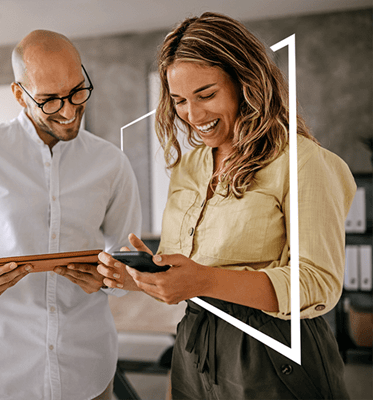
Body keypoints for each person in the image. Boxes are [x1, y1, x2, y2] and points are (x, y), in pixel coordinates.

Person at [98, 12, 355, 399]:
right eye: (180, 100)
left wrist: (203, 280)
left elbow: (318, 283)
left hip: (275, 351)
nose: (193, 115)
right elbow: (189, 273)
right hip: (195, 344)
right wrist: (139, 278)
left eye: (206, 94)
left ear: (245, 82)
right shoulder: (190, 166)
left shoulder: (301, 161)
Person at [0, 30, 141, 400]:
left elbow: (128, 256)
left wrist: (111, 278)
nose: (69, 110)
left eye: (78, 90)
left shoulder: (112, 163)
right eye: (49, 100)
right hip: (1, 370)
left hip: (89, 369)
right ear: (19, 94)